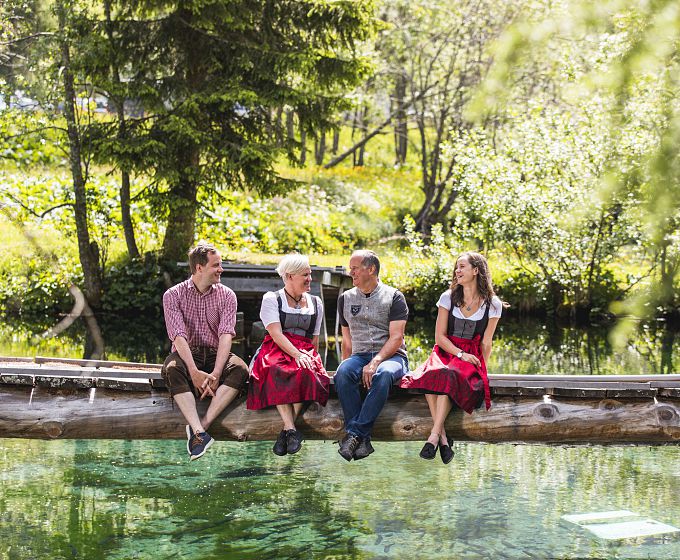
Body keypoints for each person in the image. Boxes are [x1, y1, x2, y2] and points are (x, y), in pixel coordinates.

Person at [400, 251, 503, 464]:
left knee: (450, 374)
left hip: (472, 355)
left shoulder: (493, 304)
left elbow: (486, 342)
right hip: (448, 350)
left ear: (476, 270)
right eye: (457, 267)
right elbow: (439, 337)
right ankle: (441, 436)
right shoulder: (447, 298)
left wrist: (480, 367)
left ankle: (435, 436)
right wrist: (460, 354)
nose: (457, 271)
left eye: (462, 267)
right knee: (435, 373)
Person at [161, 242, 249, 460]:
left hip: (215, 353)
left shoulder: (227, 295)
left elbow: (226, 336)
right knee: (172, 369)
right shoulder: (172, 295)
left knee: (240, 369)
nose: (221, 269)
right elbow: (178, 336)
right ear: (199, 268)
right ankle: (200, 431)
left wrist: (217, 373)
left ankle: (200, 429)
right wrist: (193, 371)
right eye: (216, 265)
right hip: (187, 353)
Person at [247, 254, 331, 456]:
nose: (310, 279)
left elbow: (314, 339)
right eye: (305, 275)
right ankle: (291, 429)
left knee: (309, 372)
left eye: (310, 274)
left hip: (304, 348)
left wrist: (313, 358)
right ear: (289, 276)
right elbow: (275, 334)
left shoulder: (316, 302)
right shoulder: (272, 299)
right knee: (275, 370)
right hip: (277, 347)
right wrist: (296, 354)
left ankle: (287, 431)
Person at [334, 250, 409, 461]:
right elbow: (346, 341)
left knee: (383, 374)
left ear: (371, 269)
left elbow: (396, 338)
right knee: (343, 373)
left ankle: (354, 434)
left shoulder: (394, 296)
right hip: (359, 356)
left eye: (355, 268)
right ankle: (362, 439)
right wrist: (344, 368)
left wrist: (376, 361)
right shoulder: (345, 299)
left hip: (393, 357)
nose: (351, 273)